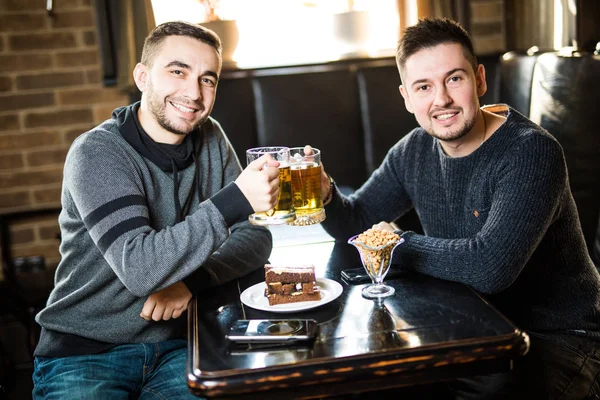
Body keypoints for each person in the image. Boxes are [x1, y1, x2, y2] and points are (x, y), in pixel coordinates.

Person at [314, 18, 600, 399]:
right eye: (424, 87)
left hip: (558, 339)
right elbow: (354, 221)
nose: (441, 100)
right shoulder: (413, 150)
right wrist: (325, 194)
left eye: (454, 79)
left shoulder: (531, 152)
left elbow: (490, 267)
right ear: (407, 97)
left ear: (480, 80)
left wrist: (396, 243)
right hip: (469, 326)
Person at [32, 21, 281, 399]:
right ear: (143, 76)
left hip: (182, 343)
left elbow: (256, 237)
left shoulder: (210, 137)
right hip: (85, 352)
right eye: (178, 71)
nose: (194, 93)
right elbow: (141, 268)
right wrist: (234, 200)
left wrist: (193, 281)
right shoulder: (97, 152)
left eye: (208, 79)